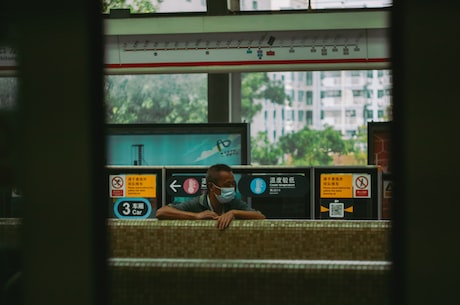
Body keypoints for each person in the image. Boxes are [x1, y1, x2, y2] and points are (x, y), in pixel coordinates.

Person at [156, 164, 265, 230]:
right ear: (212, 186)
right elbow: (161, 212)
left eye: (233, 184)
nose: (232, 188)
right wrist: (196, 216)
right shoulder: (198, 202)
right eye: (227, 185)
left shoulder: (233, 203)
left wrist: (233, 213)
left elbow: (260, 217)